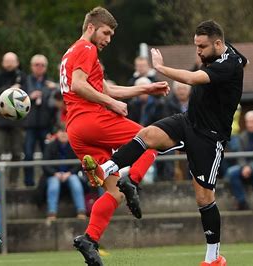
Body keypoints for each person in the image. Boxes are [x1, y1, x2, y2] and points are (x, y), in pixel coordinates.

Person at [84, 20, 248, 266]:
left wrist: (160, 67)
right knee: (148, 134)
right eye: (196, 46)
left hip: (209, 136)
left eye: (202, 47)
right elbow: (247, 61)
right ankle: (106, 169)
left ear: (217, 43)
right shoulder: (229, 52)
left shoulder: (230, 64)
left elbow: (193, 78)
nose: (199, 52)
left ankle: (213, 258)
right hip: (187, 121)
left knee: (204, 198)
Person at [59, 7, 170, 265]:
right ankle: (132, 179)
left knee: (113, 194)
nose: (108, 39)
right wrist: (109, 102)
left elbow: (109, 88)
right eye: (106, 33)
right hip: (93, 119)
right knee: (153, 138)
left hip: (77, 130)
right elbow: (79, 84)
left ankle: (89, 239)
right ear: (91, 28)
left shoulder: (71, 52)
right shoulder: (87, 49)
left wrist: (146, 88)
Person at [0, 52, 27, 187]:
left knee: (17, 152)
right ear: (2, 63)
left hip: (17, 122)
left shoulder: (22, 77)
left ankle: (13, 182)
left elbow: (27, 97)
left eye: (12, 61)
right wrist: (8, 90)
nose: (9, 64)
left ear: (17, 62)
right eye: (7, 61)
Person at [23, 54, 58, 187]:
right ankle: (28, 182)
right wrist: (29, 97)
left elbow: (57, 101)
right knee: (28, 154)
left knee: (47, 155)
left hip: (45, 124)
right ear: (32, 66)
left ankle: (47, 182)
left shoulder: (50, 82)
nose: (39, 67)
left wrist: (52, 89)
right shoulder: (25, 82)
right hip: (30, 124)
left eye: (42, 65)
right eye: (37, 65)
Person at [43, 125, 86, 223]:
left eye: (66, 131)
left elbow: (79, 163)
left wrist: (69, 173)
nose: (63, 134)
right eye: (61, 131)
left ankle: (81, 211)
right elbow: (45, 164)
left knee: (75, 182)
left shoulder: (74, 145)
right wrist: (55, 173)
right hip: (54, 175)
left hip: (70, 174)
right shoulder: (50, 146)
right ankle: (52, 212)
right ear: (57, 134)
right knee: (53, 185)